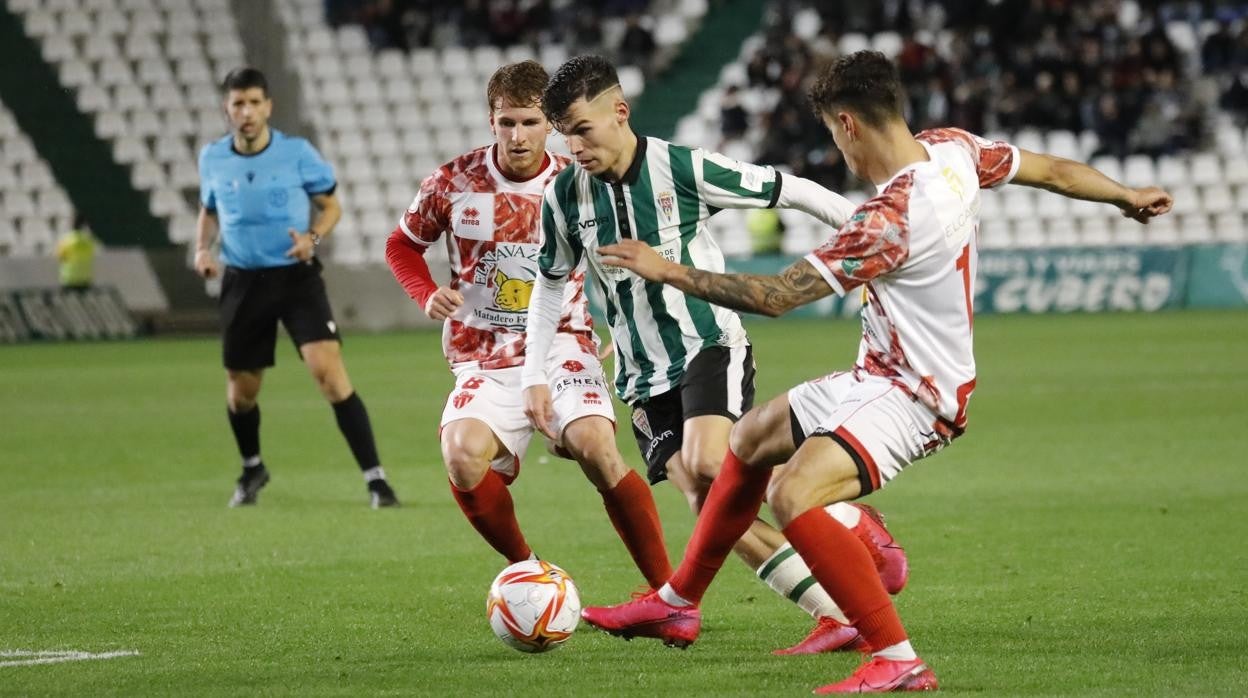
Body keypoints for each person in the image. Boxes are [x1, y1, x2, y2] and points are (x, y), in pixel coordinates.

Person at [580, 51, 1174, 693]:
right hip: (878, 374)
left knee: (792, 496)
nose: (838, 151)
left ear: (847, 124)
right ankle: (679, 600)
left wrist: (669, 269)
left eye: (833, 136)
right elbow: (1053, 170)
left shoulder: (889, 220)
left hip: (914, 395)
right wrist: (1125, 195)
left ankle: (897, 657)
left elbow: (777, 296)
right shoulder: (953, 151)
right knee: (750, 439)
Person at [522, 54, 911, 655]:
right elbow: (549, 285)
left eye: (581, 129)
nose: (572, 146)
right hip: (641, 374)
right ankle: (835, 613)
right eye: (563, 134)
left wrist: (877, 232)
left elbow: (789, 189)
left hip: (708, 344)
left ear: (619, 113)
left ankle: (847, 520)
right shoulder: (565, 197)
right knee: (708, 502)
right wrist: (534, 378)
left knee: (709, 465)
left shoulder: (680, 167)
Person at [384, 60, 672, 589]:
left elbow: (618, 254)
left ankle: (670, 593)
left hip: (562, 343)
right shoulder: (453, 182)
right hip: (484, 356)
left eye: (531, 123)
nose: (518, 136)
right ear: (491, 121)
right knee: (461, 454)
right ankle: (530, 570)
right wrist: (425, 294)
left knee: (596, 446)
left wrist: (618, 322)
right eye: (507, 123)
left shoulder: (579, 179)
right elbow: (402, 244)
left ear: (552, 124)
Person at [194, 67, 399, 509]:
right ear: (226, 110)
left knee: (329, 374)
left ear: (268, 106)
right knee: (241, 392)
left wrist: (313, 238)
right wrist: (202, 249)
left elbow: (331, 206)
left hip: (295, 277)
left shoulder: (297, 153)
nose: (245, 112)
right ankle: (252, 468)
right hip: (242, 280)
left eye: (253, 102)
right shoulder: (212, 158)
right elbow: (208, 210)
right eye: (237, 104)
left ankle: (377, 480)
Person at [56, 213, 96, 293]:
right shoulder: (88, 241)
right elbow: (91, 254)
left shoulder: (66, 240)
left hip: (69, 279)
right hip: (85, 279)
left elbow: (60, 257)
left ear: (71, 224)